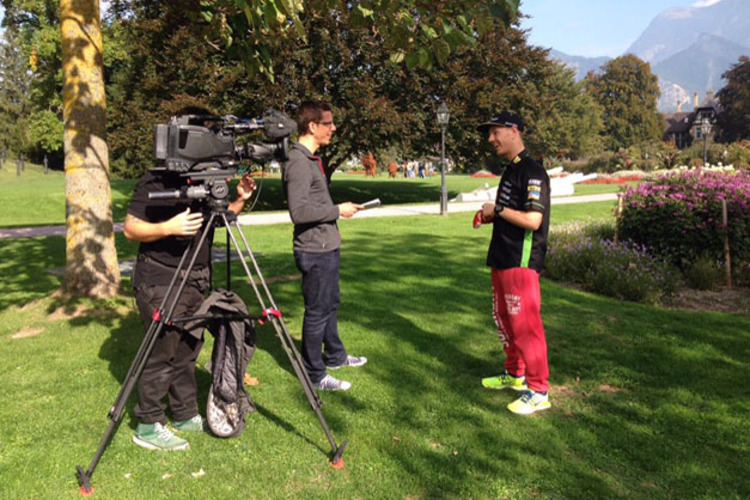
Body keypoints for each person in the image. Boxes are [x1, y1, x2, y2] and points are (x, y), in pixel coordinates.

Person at [123, 109, 257, 450]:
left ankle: (183, 412)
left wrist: (238, 199)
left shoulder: (205, 181)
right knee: (161, 352)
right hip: (161, 279)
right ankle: (148, 423)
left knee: (186, 351)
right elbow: (130, 228)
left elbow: (218, 223)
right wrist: (167, 228)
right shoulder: (155, 179)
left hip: (197, 279)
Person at [282, 100, 367, 391]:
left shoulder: (311, 160)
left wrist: (337, 211)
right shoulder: (298, 163)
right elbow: (299, 212)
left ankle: (335, 355)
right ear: (312, 126)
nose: (333, 128)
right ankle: (314, 373)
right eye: (328, 123)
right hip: (313, 250)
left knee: (330, 304)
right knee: (317, 311)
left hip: (326, 246)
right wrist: (336, 210)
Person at [476, 111, 552, 415]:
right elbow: (510, 210)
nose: (490, 139)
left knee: (525, 326)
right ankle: (515, 373)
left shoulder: (532, 172)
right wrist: (491, 214)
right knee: (504, 320)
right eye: (489, 134)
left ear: (514, 131)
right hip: (502, 257)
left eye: (495, 132)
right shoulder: (512, 169)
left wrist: (499, 209)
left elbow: (533, 220)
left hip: (520, 263)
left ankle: (538, 390)